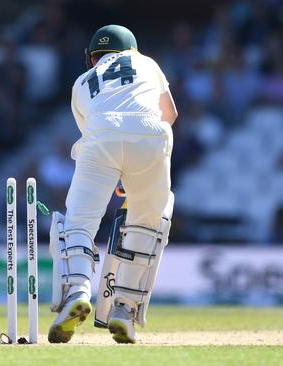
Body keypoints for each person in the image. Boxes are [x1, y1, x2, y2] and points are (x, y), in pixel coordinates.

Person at [48, 25, 177, 344]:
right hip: (151, 136)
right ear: (131, 50)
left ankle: (77, 290)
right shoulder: (147, 63)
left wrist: (118, 167)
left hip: (101, 140)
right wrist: (135, 171)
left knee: (78, 222)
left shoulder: (81, 82)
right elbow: (170, 113)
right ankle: (124, 309)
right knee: (146, 224)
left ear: (92, 59)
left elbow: (94, 131)